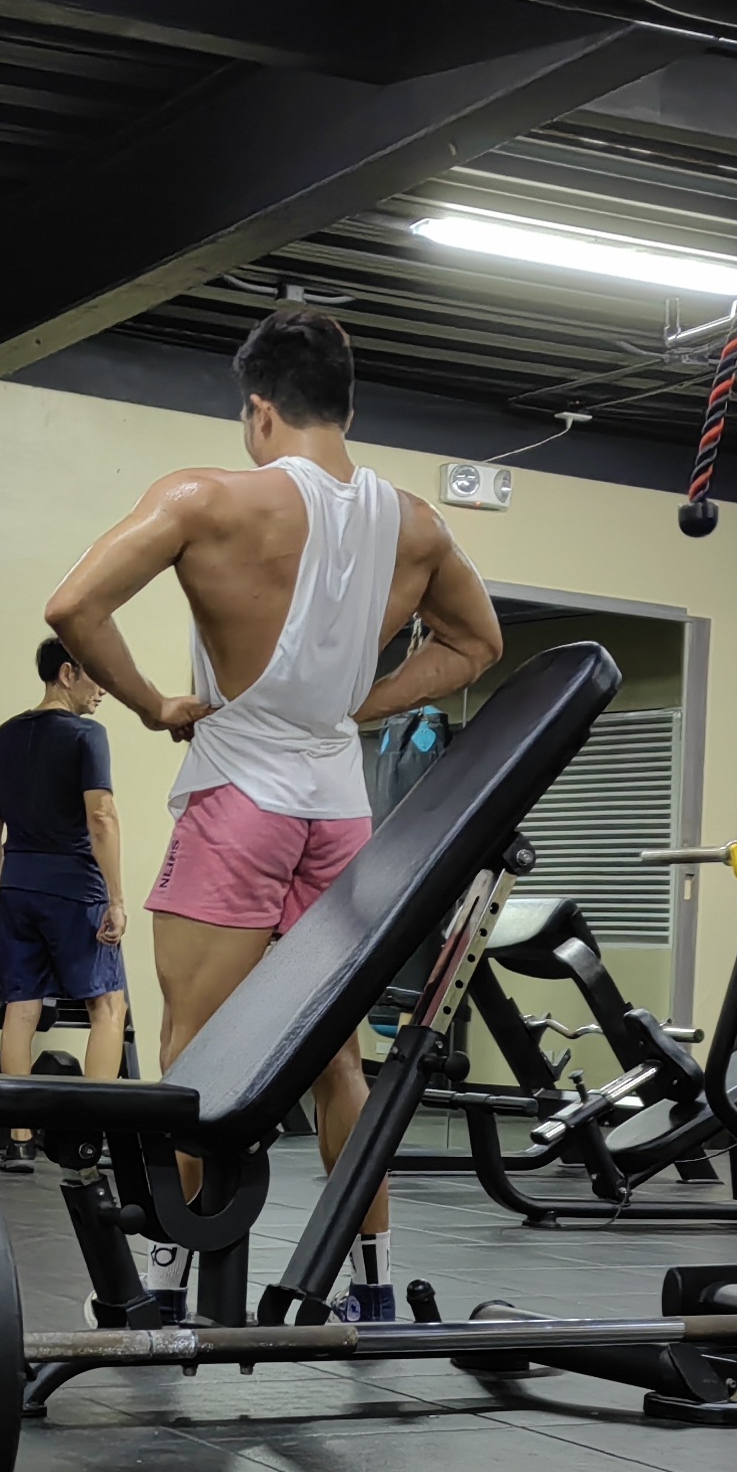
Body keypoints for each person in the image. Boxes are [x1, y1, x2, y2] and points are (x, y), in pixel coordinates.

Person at [41, 308, 501, 1317]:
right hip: (341, 816)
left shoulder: (207, 497)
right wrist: (360, 704)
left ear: (259, 412)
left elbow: (73, 608)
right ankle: (371, 1290)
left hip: (238, 796)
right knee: (341, 1059)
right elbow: (477, 646)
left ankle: (164, 1285)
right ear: (347, 405)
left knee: (196, 1044)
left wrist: (157, 702)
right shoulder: (417, 524)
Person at [0, 637, 129, 1171]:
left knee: (21, 1009)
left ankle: (19, 1141)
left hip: (18, 885)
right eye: (95, 678)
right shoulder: (88, 736)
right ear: (67, 673)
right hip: (75, 888)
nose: (102, 690)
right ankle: (87, 1137)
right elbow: (101, 816)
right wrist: (117, 898)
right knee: (108, 1007)